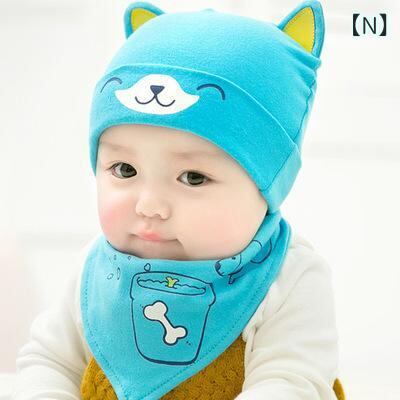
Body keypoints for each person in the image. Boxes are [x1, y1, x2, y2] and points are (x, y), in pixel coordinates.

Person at [13, 1, 346, 399]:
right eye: (124, 170)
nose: (149, 205)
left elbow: (289, 383)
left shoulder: (287, 278)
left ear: (268, 185)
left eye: (193, 177)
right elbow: (49, 362)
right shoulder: (98, 271)